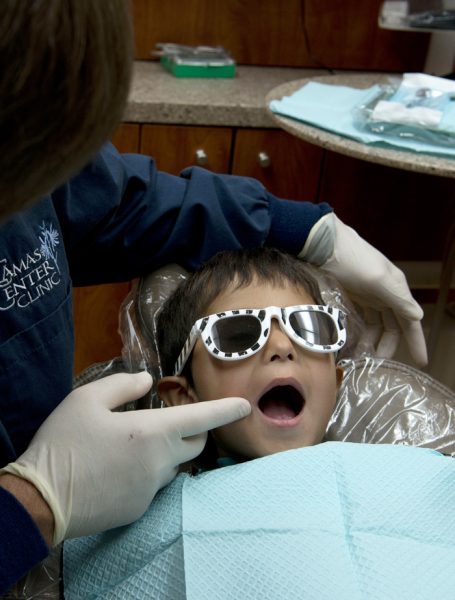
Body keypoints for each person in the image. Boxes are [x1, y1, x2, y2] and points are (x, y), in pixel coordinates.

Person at [0, 0, 427, 593]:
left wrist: (301, 226)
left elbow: (112, 198)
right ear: (179, 394)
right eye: (237, 334)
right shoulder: (143, 526)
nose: (282, 348)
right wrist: (28, 510)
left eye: (310, 327)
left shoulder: (406, 466)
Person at [156, 247, 346, 468]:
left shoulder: (386, 486)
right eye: (240, 337)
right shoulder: (162, 503)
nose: (282, 346)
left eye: (305, 329)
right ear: (184, 398)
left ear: (335, 384)